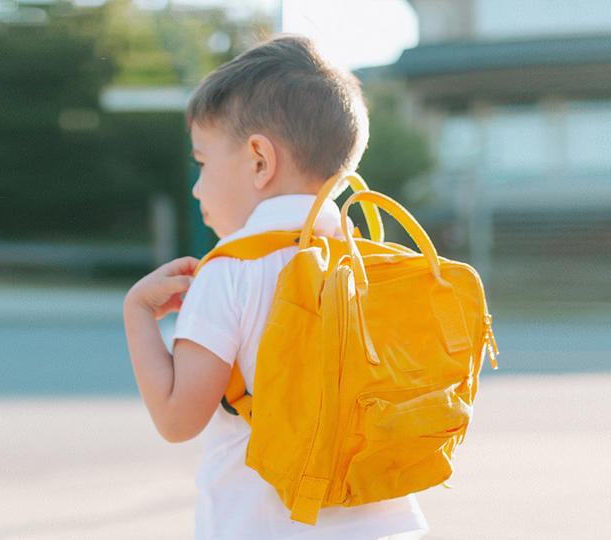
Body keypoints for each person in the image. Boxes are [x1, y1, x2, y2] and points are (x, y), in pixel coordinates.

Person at [122, 36, 429, 539]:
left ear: (260, 160)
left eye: (202, 163)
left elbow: (178, 419)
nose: (197, 186)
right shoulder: (375, 268)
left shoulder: (230, 272)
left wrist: (137, 312)